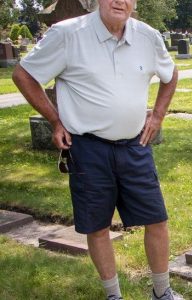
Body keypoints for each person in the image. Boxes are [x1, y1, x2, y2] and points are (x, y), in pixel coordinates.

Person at [12, 0, 181, 299]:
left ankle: (162, 291)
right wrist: (55, 120)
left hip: (135, 145)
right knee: (98, 225)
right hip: (87, 148)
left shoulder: (147, 36)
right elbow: (24, 75)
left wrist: (157, 115)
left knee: (157, 219)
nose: (120, 1)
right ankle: (113, 295)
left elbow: (171, 75)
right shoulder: (67, 34)